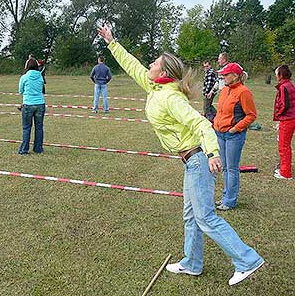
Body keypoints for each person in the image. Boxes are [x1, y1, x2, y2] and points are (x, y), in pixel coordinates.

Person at [97, 25, 263, 286]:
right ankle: (192, 263)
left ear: (163, 72)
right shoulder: (155, 88)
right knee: (191, 216)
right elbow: (133, 66)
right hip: (190, 162)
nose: (149, 64)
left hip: (198, 160)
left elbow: (202, 125)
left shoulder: (172, 98)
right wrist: (112, 42)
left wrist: (213, 153)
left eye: (153, 62)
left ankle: (247, 260)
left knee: (206, 217)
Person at [213, 63, 257, 211]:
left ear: (235, 76)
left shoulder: (244, 92)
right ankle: (226, 196)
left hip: (233, 136)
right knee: (225, 168)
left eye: (226, 74)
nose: (223, 77)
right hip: (220, 134)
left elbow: (251, 115)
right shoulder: (225, 90)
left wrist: (235, 129)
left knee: (231, 169)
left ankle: (230, 201)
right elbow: (221, 112)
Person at [18, 58, 45, 155]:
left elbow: (20, 91)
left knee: (26, 128)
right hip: (40, 104)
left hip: (28, 105)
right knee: (39, 127)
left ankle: (24, 149)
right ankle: (38, 148)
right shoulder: (40, 77)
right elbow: (41, 89)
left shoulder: (24, 77)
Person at [273, 65, 295, 180]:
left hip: (287, 120)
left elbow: (285, 105)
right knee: (285, 146)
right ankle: (283, 168)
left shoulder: (284, 87)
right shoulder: (289, 84)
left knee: (283, 146)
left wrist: (279, 115)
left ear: (281, 75)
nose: (276, 76)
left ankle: (285, 173)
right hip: (290, 119)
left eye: (277, 74)